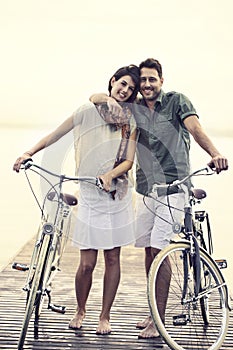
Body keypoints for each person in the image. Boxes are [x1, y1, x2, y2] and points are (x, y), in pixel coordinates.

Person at [90, 57, 228, 338]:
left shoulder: (177, 102)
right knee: (148, 250)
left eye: (153, 79)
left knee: (161, 247)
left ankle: (159, 321)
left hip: (175, 188)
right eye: (144, 81)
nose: (147, 84)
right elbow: (95, 98)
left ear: (162, 81)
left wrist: (214, 153)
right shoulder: (136, 109)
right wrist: (109, 99)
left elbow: (195, 129)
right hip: (146, 190)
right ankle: (154, 308)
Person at [13, 64, 140, 335]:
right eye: (122, 83)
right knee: (86, 263)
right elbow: (55, 135)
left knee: (113, 258)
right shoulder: (86, 110)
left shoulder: (129, 122)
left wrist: (110, 174)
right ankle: (81, 309)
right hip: (90, 195)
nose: (124, 90)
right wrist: (29, 152)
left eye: (130, 88)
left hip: (116, 195)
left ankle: (104, 316)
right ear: (113, 81)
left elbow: (128, 161)